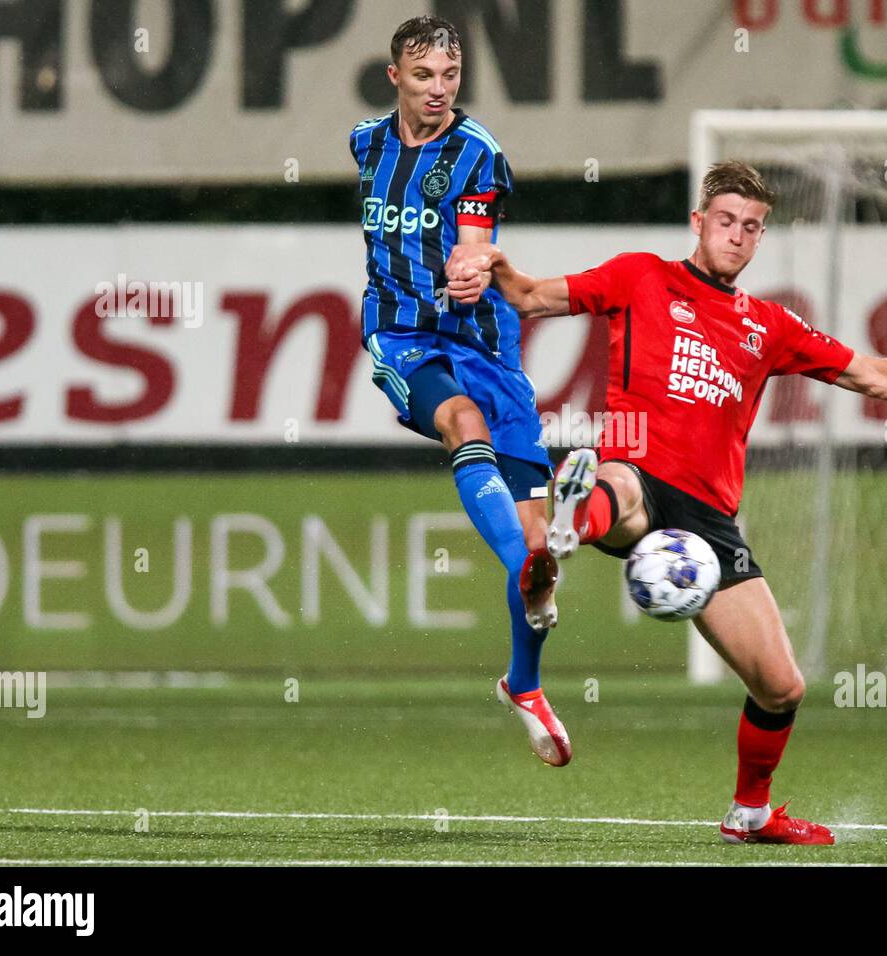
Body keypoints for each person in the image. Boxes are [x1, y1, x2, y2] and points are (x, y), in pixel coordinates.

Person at [445, 160, 887, 844]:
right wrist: (496, 268)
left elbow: (871, 374)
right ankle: (571, 526)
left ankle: (749, 813)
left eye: (752, 227)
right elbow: (534, 297)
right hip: (632, 462)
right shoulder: (640, 276)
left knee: (782, 686)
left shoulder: (770, 326)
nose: (738, 236)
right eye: (726, 222)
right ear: (699, 223)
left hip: (708, 521)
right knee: (624, 490)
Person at [350, 15, 569, 767]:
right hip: (401, 337)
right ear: (395, 78)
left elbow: (475, 236)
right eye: (423, 77)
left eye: (450, 76)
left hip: (486, 345)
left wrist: (473, 266)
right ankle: (526, 569)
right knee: (461, 420)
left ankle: (525, 684)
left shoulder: (479, 155)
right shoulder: (365, 143)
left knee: (538, 537)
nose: (439, 90)